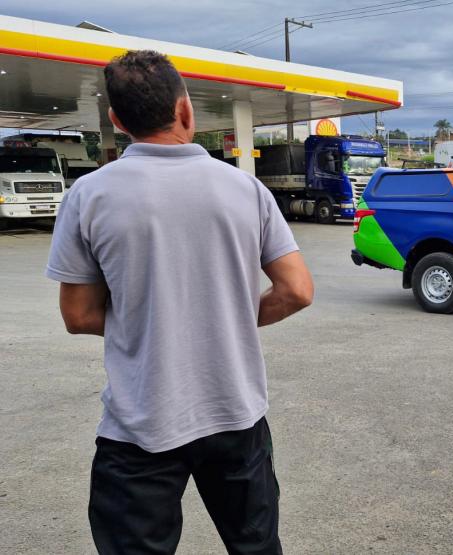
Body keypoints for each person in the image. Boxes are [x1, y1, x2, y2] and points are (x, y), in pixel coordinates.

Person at [45, 50, 314, 553]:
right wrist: (226, 317)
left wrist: (152, 322)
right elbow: (297, 290)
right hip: (235, 412)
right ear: (185, 110)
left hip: (139, 421)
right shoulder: (246, 190)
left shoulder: (88, 196)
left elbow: (78, 316)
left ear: (117, 121)